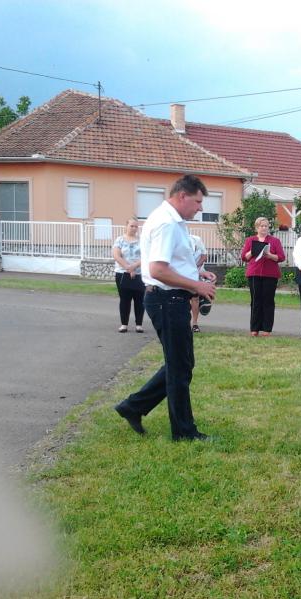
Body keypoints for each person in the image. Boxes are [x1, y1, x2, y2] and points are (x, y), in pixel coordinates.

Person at [113, 175, 217, 441]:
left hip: (169, 299)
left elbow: (172, 262)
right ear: (182, 196)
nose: (201, 208)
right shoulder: (166, 223)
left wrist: (197, 273)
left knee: (181, 364)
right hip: (167, 300)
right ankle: (184, 432)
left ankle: (133, 407)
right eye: (197, 202)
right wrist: (197, 286)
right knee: (180, 368)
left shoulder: (171, 220)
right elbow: (158, 270)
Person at [241, 217, 286, 336]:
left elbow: (281, 257)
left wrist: (270, 255)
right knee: (255, 300)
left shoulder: (275, 241)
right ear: (257, 227)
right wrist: (252, 251)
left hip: (270, 274)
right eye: (262, 226)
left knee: (268, 301)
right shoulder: (250, 240)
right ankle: (254, 328)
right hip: (254, 273)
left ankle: (267, 329)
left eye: (266, 226)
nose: (264, 228)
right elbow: (244, 257)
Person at [112, 218, 145, 333]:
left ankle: (139, 325)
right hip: (122, 274)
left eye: (136, 226)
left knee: (139, 300)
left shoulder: (142, 241)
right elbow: (116, 255)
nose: (134, 228)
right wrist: (128, 268)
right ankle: (124, 324)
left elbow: (145, 256)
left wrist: (134, 267)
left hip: (139, 274)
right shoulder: (119, 240)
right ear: (126, 226)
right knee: (125, 299)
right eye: (132, 226)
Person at [189, 234, 211, 333]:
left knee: (195, 298)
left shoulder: (197, 240)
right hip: (183, 274)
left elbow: (204, 256)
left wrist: (195, 266)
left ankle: (194, 323)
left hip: (197, 272)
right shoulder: (178, 240)